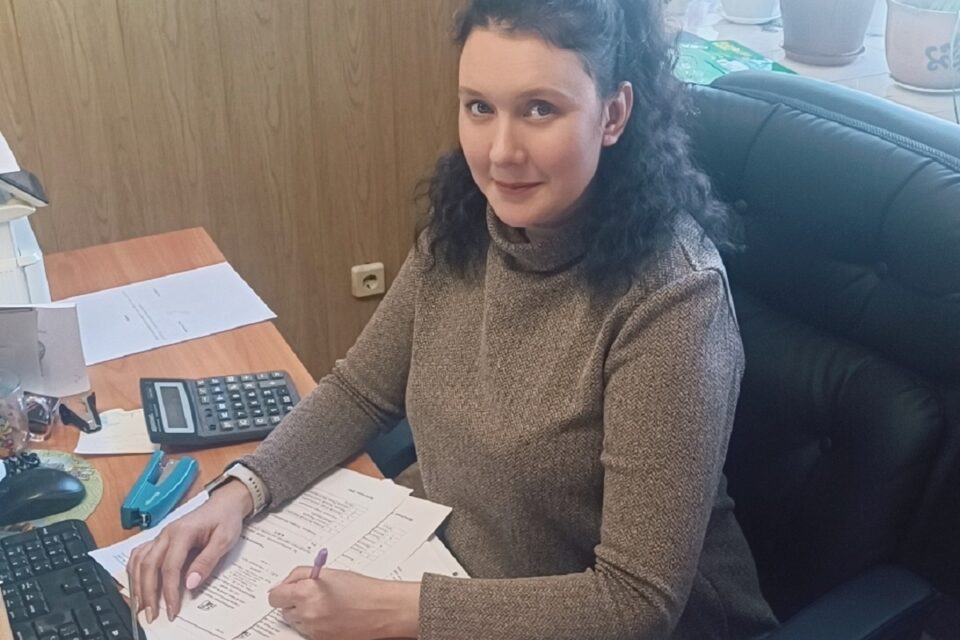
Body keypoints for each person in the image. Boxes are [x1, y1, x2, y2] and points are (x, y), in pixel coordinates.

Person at [127, 0, 780, 638]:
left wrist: (397, 612)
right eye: (479, 107)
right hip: (450, 572)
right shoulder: (468, 225)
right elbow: (361, 389)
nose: (500, 152)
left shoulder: (673, 297)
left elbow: (636, 600)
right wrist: (239, 493)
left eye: (540, 109)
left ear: (613, 114)